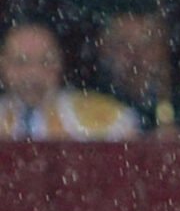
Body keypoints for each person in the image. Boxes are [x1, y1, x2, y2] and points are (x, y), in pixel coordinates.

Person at [2, 21, 138, 139]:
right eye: (21, 62)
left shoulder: (106, 118)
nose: (33, 73)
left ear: (60, 64)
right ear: (3, 65)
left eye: (46, 62)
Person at [96, 5, 178, 134]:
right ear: (105, 49)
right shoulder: (88, 102)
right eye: (124, 44)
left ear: (163, 48)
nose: (136, 54)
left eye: (146, 44)